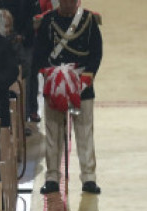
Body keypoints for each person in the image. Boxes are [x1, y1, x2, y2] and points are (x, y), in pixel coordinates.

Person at [33, 0, 103, 195]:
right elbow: (40, 52)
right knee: (53, 131)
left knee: (84, 132)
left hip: (82, 83)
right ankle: (52, 177)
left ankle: (88, 177)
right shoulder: (48, 20)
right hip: (56, 83)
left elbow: (96, 51)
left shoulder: (89, 20)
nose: (68, 3)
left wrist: (87, 77)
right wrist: (50, 75)